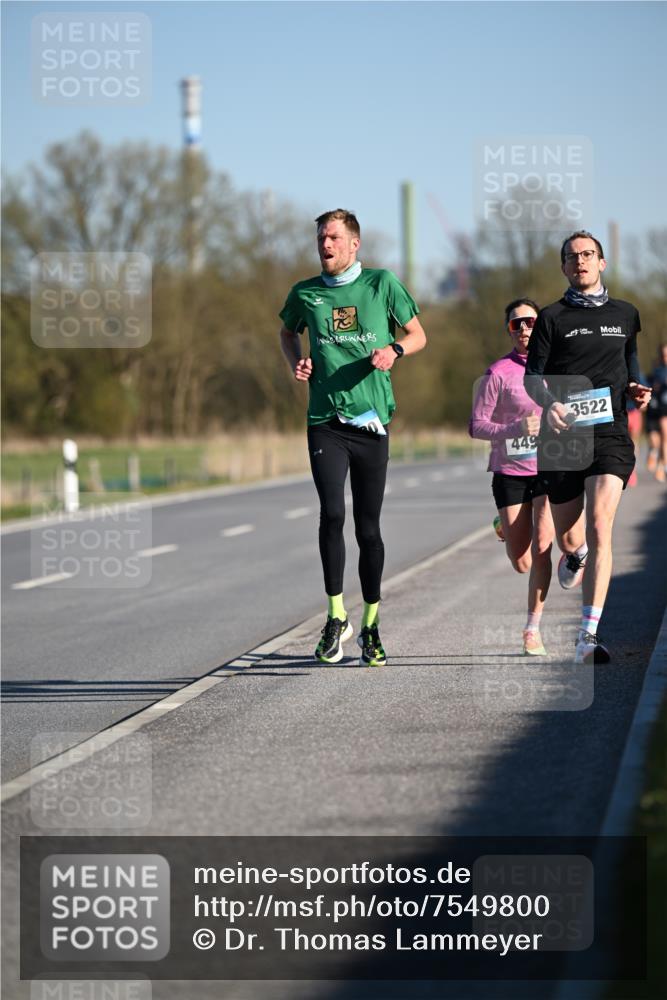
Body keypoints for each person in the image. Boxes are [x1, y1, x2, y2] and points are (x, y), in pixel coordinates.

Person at [278, 209, 426, 666]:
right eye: (321, 237)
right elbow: (287, 332)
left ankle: (371, 626)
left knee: (368, 527)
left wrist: (394, 349)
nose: (326, 245)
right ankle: (335, 616)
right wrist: (297, 362)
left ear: (354, 244)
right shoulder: (305, 292)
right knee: (332, 513)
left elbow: (418, 334)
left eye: (334, 238)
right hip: (325, 418)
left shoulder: (382, 284)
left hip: (370, 421)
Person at [524, 230, 652, 664]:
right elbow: (532, 376)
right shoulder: (551, 317)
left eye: (587, 254)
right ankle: (575, 553)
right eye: (571, 256)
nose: (580, 261)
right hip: (563, 436)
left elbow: (630, 363)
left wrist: (638, 389)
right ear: (563, 267)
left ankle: (588, 635)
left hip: (610, 433)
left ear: (602, 262)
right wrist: (551, 403)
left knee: (601, 526)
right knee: (570, 536)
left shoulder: (627, 313)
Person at [470, 298, 555, 656]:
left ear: (540, 326)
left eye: (530, 322)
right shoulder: (498, 373)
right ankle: (503, 526)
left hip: (550, 468)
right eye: (515, 324)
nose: (523, 329)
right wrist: (514, 428)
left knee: (543, 547)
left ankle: (532, 628)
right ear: (509, 330)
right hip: (510, 470)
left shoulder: (558, 366)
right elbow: (476, 426)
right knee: (521, 561)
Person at [647, 344, 667, 482]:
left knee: (665, 437)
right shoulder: (656, 372)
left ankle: (663, 466)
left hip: (665, 410)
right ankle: (653, 452)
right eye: (664, 355)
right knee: (656, 441)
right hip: (655, 409)